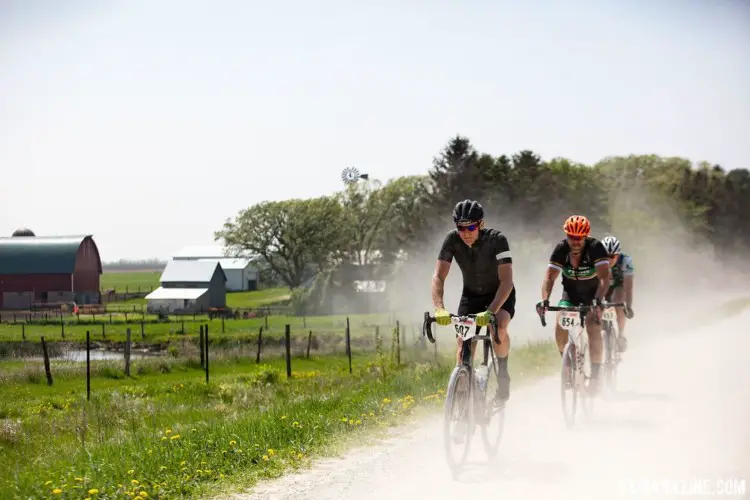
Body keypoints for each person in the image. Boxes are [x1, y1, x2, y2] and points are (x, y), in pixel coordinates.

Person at [431, 199, 516, 405]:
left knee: (500, 328)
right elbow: (438, 277)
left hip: (499, 294)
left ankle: (503, 374)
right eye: (461, 227)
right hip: (471, 296)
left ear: (481, 224)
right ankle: (461, 403)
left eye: (471, 227)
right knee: (462, 345)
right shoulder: (452, 240)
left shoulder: (497, 240)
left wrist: (491, 311)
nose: (466, 232)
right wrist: (439, 308)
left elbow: (507, 282)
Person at [536, 215, 610, 393]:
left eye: (579, 238)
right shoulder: (561, 249)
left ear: (586, 236)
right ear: (566, 235)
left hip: (593, 294)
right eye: (571, 237)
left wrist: (598, 300)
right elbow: (549, 277)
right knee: (561, 321)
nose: (575, 242)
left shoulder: (596, 248)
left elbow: (605, 278)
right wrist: (545, 300)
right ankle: (567, 366)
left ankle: (595, 376)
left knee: (593, 327)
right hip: (570, 293)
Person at [601, 235, 635, 351]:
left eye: (612, 256)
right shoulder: (597, 260)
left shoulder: (626, 261)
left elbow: (628, 287)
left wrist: (628, 306)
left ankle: (621, 334)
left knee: (619, 301)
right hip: (603, 284)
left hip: (618, 284)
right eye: (606, 256)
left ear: (618, 254)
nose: (609, 259)